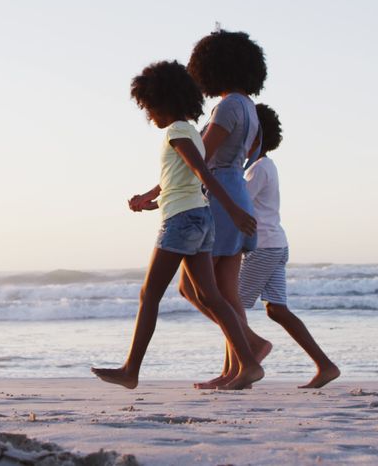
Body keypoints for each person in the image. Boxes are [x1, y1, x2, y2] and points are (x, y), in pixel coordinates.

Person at [91, 60, 265, 391]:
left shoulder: (177, 132)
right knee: (211, 295)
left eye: (149, 107)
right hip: (198, 217)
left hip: (183, 221)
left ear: (163, 101)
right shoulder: (191, 132)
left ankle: (131, 370)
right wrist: (154, 201)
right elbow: (183, 181)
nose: (148, 115)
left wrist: (232, 209)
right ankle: (250, 363)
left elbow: (203, 173)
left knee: (149, 294)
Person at [173, 29, 273, 388]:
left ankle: (251, 347)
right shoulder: (250, 109)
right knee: (227, 293)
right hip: (236, 196)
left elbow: (200, 156)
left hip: (219, 200)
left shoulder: (229, 105)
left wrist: (160, 190)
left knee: (192, 286)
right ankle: (236, 368)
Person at [239, 104, 340, 388]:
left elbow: (238, 202)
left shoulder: (258, 169)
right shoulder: (265, 166)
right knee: (276, 310)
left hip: (264, 246)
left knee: (233, 307)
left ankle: (241, 368)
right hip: (276, 244)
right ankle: (325, 365)